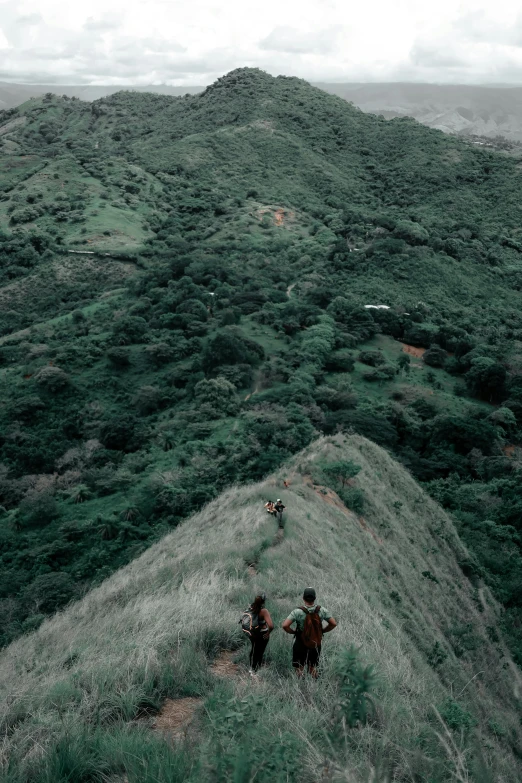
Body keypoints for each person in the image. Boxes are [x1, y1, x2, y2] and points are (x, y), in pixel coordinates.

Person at [282, 587, 337, 678]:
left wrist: (293, 632)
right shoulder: (322, 610)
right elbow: (333, 623)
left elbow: (285, 625)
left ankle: (300, 685)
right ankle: (314, 684)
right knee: (312, 667)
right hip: (316, 643)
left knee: (299, 668)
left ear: (303, 598)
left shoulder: (297, 612)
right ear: (315, 598)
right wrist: (323, 630)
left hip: (300, 642)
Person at [241, 593, 274, 674]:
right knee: (260, 652)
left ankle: (252, 668)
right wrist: (268, 632)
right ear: (263, 602)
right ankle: (255, 670)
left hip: (253, 633)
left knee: (254, 650)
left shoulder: (251, 607)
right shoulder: (264, 611)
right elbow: (271, 625)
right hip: (262, 633)